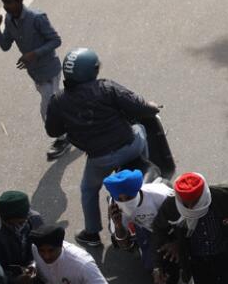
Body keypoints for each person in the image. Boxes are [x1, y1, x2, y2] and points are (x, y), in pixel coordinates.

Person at [44, 47, 161, 246]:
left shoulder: (58, 101)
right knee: (140, 128)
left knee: (88, 190)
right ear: (93, 70)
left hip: (99, 160)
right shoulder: (106, 88)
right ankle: (148, 174)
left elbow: (53, 131)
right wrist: (153, 106)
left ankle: (91, 233)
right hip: (130, 146)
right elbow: (140, 107)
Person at [0, 0, 66, 159]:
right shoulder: (9, 20)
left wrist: (34, 54)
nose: (5, 6)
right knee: (57, 102)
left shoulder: (37, 18)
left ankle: (62, 138)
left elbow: (55, 41)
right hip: (36, 74)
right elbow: (5, 45)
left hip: (49, 70)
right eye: (4, 2)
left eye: (8, 2)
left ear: (19, 1)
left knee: (47, 108)